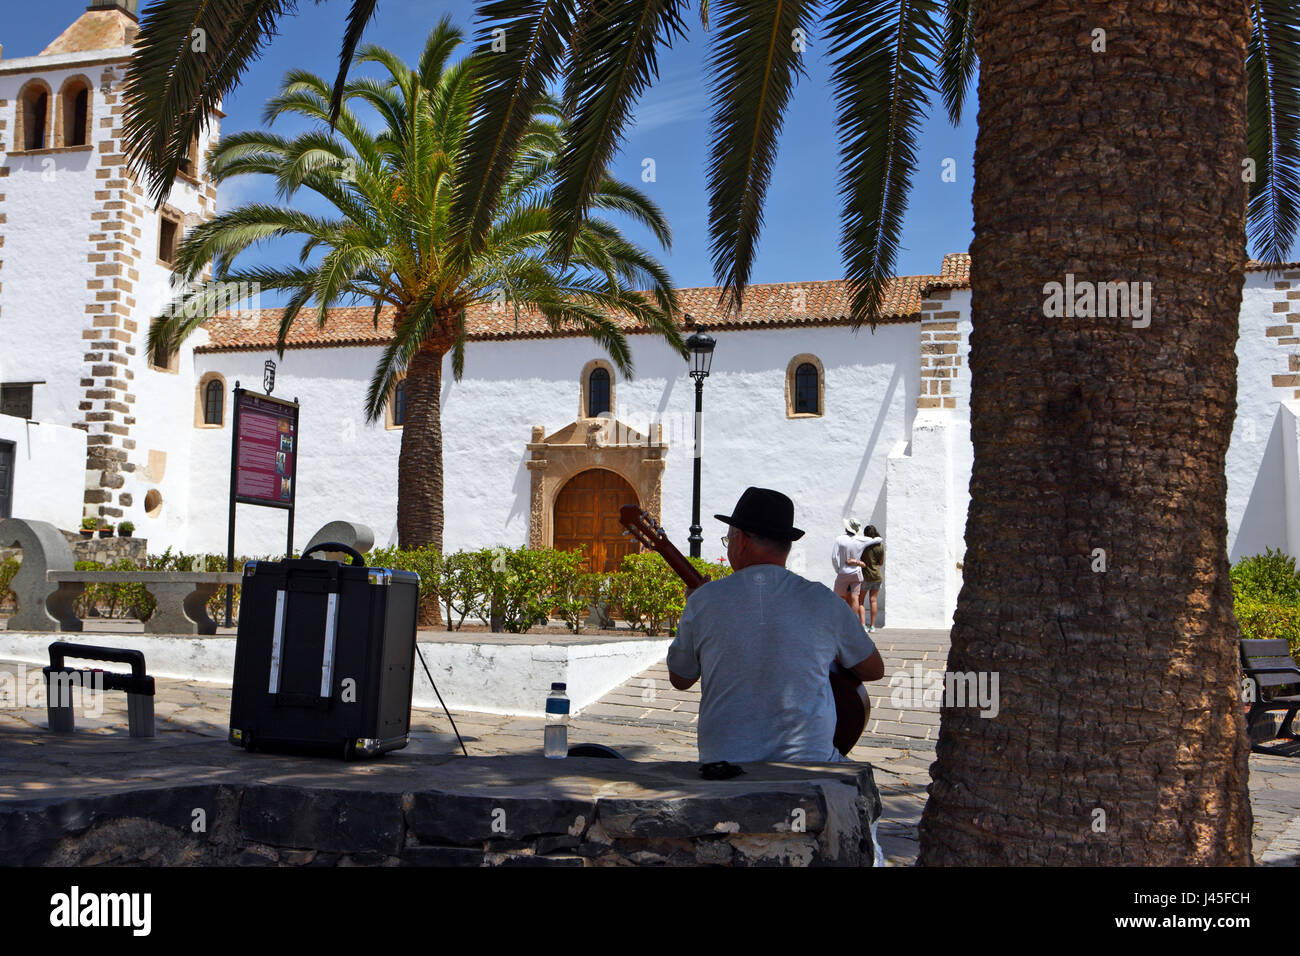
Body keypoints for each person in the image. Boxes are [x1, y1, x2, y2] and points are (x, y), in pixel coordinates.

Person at [667, 487, 885, 764]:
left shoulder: (703, 601)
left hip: (724, 768)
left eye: (729, 539)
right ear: (786, 545)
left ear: (742, 540)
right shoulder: (824, 600)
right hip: (808, 768)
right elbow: (873, 669)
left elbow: (681, 678)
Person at [831, 518, 882, 628]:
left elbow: (834, 557)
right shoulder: (861, 540)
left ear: (846, 528)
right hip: (857, 573)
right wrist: (878, 537)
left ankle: (838, 622)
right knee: (855, 597)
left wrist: (838, 569)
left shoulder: (839, 539)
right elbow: (878, 539)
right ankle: (852, 622)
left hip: (843, 573)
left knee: (839, 597)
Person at [854, 524, 885, 633]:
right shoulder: (880, 545)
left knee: (861, 601)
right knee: (873, 600)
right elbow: (881, 562)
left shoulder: (864, 546)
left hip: (865, 576)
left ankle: (863, 625)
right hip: (877, 575)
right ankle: (872, 626)